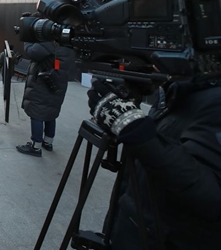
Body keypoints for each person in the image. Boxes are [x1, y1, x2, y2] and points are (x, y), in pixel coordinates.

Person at [88, 75, 221, 249]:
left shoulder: (212, 100)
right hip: (134, 226)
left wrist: (133, 128)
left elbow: (210, 195)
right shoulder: (180, 89)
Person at [16, 25, 74, 156]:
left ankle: (35, 147)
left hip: (43, 82)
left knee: (37, 113)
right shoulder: (65, 40)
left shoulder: (49, 41)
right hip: (58, 81)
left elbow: (31, 52)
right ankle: (48, 142)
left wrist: (28, 35)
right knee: (50, 112)